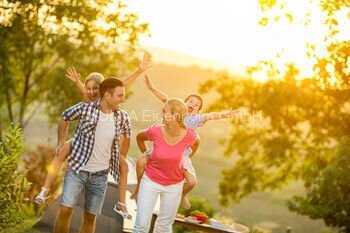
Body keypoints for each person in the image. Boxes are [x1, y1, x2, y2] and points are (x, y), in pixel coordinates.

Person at [35, 54, 151, 218]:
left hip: (102, 148)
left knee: (124, 166)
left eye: (95, 89)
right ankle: (45, 189)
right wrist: (61, 140)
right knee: (61, 152)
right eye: (88, 89)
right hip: (83, 140)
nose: (91, 92)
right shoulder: (88, 101)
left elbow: (121, 85)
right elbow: (70, 111)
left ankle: (122, 203)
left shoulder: (107, 99)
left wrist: (139, 71)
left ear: (103, 91)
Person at [131, 74, 241, 209]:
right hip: (163, 146)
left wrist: (227, 114)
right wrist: (151, 87)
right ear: (184, 103)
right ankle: (138, 189)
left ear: (198, 112)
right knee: (141, 162)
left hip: (181, 154)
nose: (193, 105)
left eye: (196, 105)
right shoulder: (175, 111)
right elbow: (165, 98)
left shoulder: (195, 119)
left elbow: (212, 115)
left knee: (192, 182)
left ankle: (181, 195)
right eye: (190, 102)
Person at [53, 78, 131, 233]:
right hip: (77, 171)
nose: (123, 99)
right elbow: (65, 116)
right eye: (120, 95)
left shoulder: (123, 116)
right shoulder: (87, 109)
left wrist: (122, 155)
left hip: (100, 176)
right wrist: (61, 141)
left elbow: (127, 136)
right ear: (107, 95)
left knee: (90, 217)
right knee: (65, 210)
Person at [133, 99, 199, 233]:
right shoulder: (155, 131)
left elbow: (196, 142)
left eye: (165, 111)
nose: (162, 114)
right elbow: (139, 137)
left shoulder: (190, 136)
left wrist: (186, 159)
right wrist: (147, 154)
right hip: (150, 181)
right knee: (142, 225)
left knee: (164, 227)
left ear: (175, 116)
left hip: (174, 186)